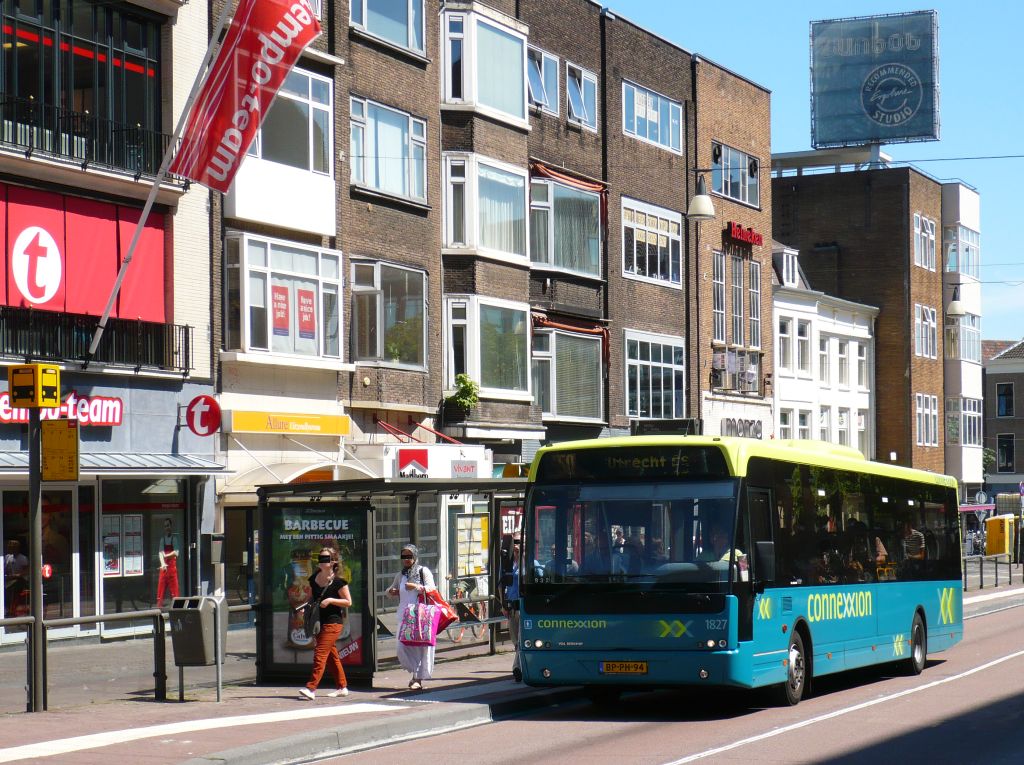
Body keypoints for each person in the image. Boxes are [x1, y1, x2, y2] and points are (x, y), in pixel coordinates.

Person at [299, 546, 351, 700]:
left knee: (320, 654)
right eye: (320, 558)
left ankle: (311, 688)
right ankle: (342, 687)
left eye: (325, 558)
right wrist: (306, 608)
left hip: (333, 622)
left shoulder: (339, 582)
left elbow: (348, 602)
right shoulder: (314, 578)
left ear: (333, 562)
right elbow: (312, 598)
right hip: (318, 622)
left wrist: (331, 600)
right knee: (331, 655)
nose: (321, 561)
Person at [387, 543, 435, 690]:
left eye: (409, 556)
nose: (407, 559)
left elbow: (432, 589)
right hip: (404, 615)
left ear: (415, 556)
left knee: (420, 648)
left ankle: (417, 678)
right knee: (401, 647)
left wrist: (416, 587)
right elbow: (389, 591)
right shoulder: (401, 574)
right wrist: (392, 591)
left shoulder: (423, 571)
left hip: (420, 615)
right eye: (404, 556)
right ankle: (414, 672)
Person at [502, 536, 523, 682]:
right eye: (514, 542)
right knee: (515, 641)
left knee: (522, 640)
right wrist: (503, 604)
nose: (516, 546)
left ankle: (517, 668)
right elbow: (501, 584)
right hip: (511, 608)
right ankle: (522, 665)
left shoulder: (530, 563)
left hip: (524, 608)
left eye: (519, 542)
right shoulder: (508, 565)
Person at [156, 519, 179, 608]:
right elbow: (160, 552)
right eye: (165, 526)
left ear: (171, 526)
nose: (167, 528)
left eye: (168, 525)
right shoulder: (162, 540)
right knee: (160, 592)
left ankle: (176, 610)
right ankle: (158, 611)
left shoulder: (174, 539)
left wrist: (165, 556)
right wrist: (162, 564)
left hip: (172, 570)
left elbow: (176, 553)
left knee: (175, 593)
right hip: (164, 569)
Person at [4, 539, 28, 618]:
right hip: (9, 579)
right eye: (9, 547)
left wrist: (14, 576)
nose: (10, 548)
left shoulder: (23, 558)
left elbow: (25, 572)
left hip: (20, 581)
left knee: (12, 589)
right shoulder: (7, 557)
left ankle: (11, 610)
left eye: (12, 547)